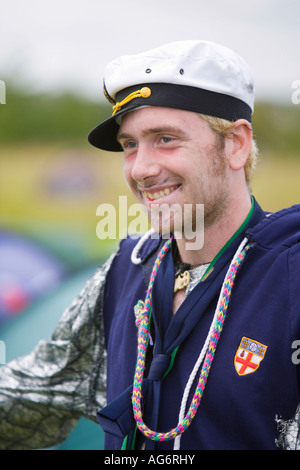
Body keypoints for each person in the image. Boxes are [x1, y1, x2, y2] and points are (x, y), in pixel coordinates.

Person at [0, 40, 299, 451]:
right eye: (130, 145)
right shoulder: (127, 269)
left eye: (165, 139)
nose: (141, 169)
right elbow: (33, 393)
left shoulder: (290, 275)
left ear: (236, 145)